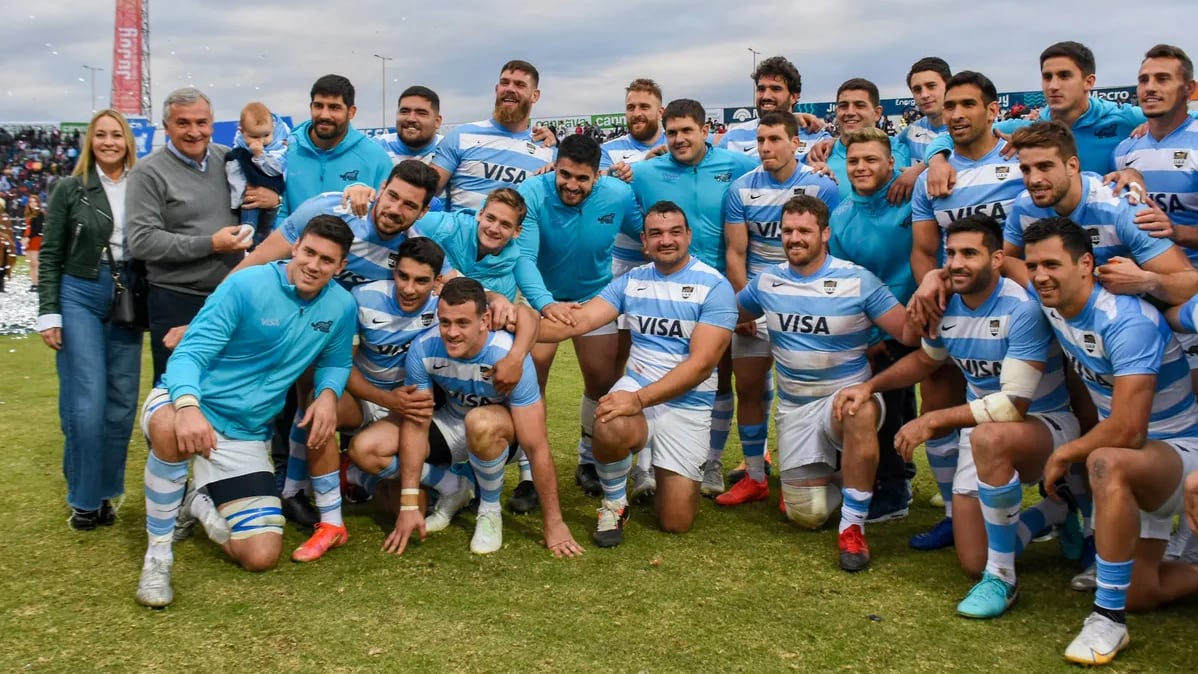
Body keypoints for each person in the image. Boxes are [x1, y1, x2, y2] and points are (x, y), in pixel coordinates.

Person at [836, 214, 1078, 616]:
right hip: (984, 431)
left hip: (1045, 427)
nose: (957, 263)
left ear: (998, 258)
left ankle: (1003, 579)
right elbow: (927, 360)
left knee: (989, 435)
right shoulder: (947, 307)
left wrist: (933, 419)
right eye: (951, 253)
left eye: (970, 253)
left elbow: (1010, 406)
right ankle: (1054, 511)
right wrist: (870, 386)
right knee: (971, 560)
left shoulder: (1022, 309)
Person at [134, 215, 356, 608]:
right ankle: (158, 556)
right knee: (169, 426)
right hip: (189, 403)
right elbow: (189, 353)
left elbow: (336, 362)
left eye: (326, 260)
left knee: (261, 555)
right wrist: (187, 406)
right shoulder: (244, 285)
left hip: (247, 432)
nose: (313, 265)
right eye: (308, 252)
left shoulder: (341, 306)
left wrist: (326, 395)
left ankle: (197, 503)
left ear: (340, 267)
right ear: (295, 247)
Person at [1023, 217, 1198, 666]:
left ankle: (1108, 619)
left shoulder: (1126, 320)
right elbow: (1000, 272)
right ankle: (1130, 592)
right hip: (1139, 455)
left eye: (1051, 264)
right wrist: (935, 283)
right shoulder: (1052, 301)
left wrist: (1065, 452)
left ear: (1086, 264)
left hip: (1180, 452)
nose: (1040, 275)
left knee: (1106, 459)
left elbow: (1128, 430)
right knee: (1144, 592)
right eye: (1033, 265)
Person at [536, 201, 736, 547]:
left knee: (676, 522)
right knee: (610, 415)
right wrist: (512, 326)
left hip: (686, 403)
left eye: (675, 231)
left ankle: (658, 466)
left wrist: (638, 399)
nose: (666, 240)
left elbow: (702, 365)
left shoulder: (715, 287)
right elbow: (579, 321)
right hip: (638, 389)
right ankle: (614, 502)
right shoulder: (632, 281)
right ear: (644, 241)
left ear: (689, 236)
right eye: (656, 234)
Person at [738, 195, 912, 572]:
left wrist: (932, 292)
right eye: (787, 231)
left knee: (859, 411)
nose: (794, 238)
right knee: (808, 515)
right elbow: (724, 313)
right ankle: (847, 475)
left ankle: (853, 528)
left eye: (804, 230)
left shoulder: (858, 280)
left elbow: (909, 334)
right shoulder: (767, 282)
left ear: (825, 233)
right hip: (796, 409)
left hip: (846, 397)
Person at [384, 277, 584, 558]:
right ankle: (453, 486)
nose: (451, 332)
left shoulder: (507, 354)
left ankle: (489, 511)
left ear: (485, 319)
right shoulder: (423, 349)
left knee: (480, 422)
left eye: (462, 323)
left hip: (500, 434)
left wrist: (555, 523)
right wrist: (407, 505)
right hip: (452, 424)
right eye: (445, 322)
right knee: (368, 448)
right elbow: (417, 425)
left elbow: (537, 447)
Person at [908, 71, 1025, 549]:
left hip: (1023, 306)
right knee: (936, 398)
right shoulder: (932, 178)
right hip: (956, 307)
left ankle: (1069, 512)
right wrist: (931, 291)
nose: (956, 114)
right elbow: (922, 249)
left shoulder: (1020, 161)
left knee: (1057, 404)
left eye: (968, 105)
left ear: (993, 109)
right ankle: (954, 510)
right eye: (950, 105)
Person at [630, 98, 756, 495]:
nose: (679, 139)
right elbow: (598, 179)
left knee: (720, 378)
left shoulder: (737, 166)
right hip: (663, 289)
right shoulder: (645, 171)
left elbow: (780, 172)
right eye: (671, 132)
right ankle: (644, 466)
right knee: (652, 373)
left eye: (687, 130)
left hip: (718, 292)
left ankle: (711, 462)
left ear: (706, 130)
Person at [719, 110, 839, 505]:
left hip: (804, 306)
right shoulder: (740, 189)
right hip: (757, 301)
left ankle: (799, 475)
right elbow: (736, 253)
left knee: (800, 393)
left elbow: (829, 248)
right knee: (749, 388)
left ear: (794, 142)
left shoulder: (822, 186)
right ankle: (755, 476)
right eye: (761, 140)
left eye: (774, 140)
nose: (766, 148)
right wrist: (745, 306)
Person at [515, 136, 644, 498]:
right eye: (564, 174)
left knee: (602, 381)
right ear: (555, 166)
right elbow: (524, 258)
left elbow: (645, 231)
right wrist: (545, 303)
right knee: (531, 383)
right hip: (543, 299)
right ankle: (528, 474)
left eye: (582, 178)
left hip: (594, 299)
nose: (571, 185)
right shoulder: (532, 191)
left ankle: (588, 460)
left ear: (597, 176)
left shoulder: (617, 194)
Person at [35, 109, 143, 530]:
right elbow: (50, 252)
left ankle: (105, 494)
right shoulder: (70, 188)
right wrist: (49, 311)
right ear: (90, 141)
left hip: (127, 294)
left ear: (127, 140)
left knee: (120, 404)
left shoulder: (142, 184)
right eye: (101, 134)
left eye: (117, 134)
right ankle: (83, 498)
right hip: (79, 290)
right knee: (87, 400)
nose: (109, 141)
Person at [342, 237, 473, 533]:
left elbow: (487, 305)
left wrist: (502, 302)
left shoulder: (445, 309)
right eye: (403, 276)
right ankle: (311, 500)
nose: (409, 288)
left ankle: (357, 473)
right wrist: (386, 399)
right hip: (365, 397)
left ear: (438, 281)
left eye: (421, 280)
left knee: (392, 499)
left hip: (407, 408)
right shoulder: (361, 298)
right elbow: (342, 366)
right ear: (394, 270)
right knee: (319, 401)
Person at [827, 126, 921, 522]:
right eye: (853, 161)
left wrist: (922, 168)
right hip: (877, 330)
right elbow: (846, 284)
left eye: (870, 160)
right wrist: (873, 335)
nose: (861, 167)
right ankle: (891, 482)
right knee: (883, 403)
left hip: (922, 318)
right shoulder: (842, 216)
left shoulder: (914, 200)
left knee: (911, 404)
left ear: (890, 163)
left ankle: (899, 483)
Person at [126, 87, 249, 383]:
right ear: (167, 127)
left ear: (212, 124)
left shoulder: (231, 160)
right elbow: (142, 240)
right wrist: (211, 244)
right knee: (179, 390)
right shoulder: (148, 172)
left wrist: (271, 200)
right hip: (177, 299)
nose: (194, 132)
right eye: (183, 123)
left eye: (201, 122)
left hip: (231, 297)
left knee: (232, 389)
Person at [431, 60, 555, 211]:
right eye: (504, 83)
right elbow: (425, 193)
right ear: (497, 89)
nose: (510, 89)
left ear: (535, 96)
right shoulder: (461, 136)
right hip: (463, 233)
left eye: (519, 85)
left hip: (517, 234)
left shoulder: (548, 151)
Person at [275, 75, 393, 223]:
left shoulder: (376, 158)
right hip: (289, 244)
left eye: (334, 108)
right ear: (311, 107)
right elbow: (277, 211)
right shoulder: (287, 150)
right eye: (318, 106)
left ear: (351, 112)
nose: (325, 115)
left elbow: (384, 219)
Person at [601, 78, 666, 279]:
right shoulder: (608, 150)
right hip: (622, 263)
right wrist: (615, 175)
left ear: (660, 112)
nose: (637, 113)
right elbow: (599, 188)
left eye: (644, 106)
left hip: (669, 257)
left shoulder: (677, 145)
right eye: (631, 107)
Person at [715, 56, 829, 162]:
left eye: (775, 89)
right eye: (761, 89)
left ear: (794, 96)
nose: (766, 96)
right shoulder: (732, 139)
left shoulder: (817, 138)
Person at [225, 102, 289, 243]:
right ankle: (248, 227)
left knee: (267, 222)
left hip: (274, 191)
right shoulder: (238, 150)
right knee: (249, 203)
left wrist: (259, 156)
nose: (261, 141)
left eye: (266, 135)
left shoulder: (281, 146)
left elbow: (278, 169)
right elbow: (235, 174)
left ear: (273, 127)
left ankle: (259, 237)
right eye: (254, 137)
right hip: (250, 195)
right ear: (242, 132)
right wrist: (237, 199)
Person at [899, 57, 952, 167]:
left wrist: (919, 169)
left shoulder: (969, 130)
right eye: (917, 89)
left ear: (949, 86)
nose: (924, 95)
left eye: (931, 86)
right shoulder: (910, 133)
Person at [373, 85, 444, 165]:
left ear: (437, 121)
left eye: (421, 113)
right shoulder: (375, 147)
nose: (411, 119)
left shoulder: (449, 149)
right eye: (404, 111)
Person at [22, 194, 44, 291]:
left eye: (34, 201)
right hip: (29, 239)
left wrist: (28, 238)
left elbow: (37, 228)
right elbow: (26, 228)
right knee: (31, 263)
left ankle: (39, 283)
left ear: (38, 203)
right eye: (30, 201)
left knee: (35, 263)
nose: (32, 203)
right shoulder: (28, 214)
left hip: (36, 239)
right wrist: (24, 238)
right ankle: (34, 284)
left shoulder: (40, 214)